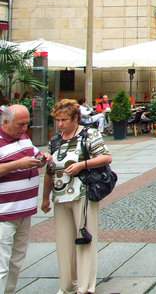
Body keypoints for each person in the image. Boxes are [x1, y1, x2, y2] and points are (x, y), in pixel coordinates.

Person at [42, 99, 112, 294]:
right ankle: (66, 285)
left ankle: (85, 286)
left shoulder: (88, 134)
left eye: (64, 119)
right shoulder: (55, 140)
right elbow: (49, 170)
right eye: (57, 120)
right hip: (60, 196)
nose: (60, 124)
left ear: (75, 118)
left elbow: (106, 157)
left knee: (84, 239)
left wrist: (82, 165)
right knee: (63, 242)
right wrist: (45, 197)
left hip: (83, 194)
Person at [0, 105, 49, 294]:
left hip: (24, 210)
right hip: (4, 213)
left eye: (27, 124)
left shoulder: (24, 138)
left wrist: (43, 158)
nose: (24, 129)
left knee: (17, 260)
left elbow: (36, 154)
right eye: (20, 124)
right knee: (2, 264)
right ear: (5, 122)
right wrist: (17, 165)